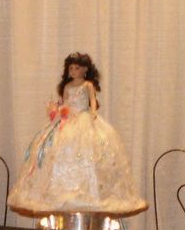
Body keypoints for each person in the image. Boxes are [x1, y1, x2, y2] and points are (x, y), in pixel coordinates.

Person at [8, 52, 146, 214]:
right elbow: (65, 102)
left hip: (85, 118)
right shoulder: (67, 87)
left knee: (89, 150)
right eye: (71, 68)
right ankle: (61, 190)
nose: (73, 71)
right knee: (59, 149)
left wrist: (93, 112)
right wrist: (59, 112)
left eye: (77, 68)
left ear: (85, 69)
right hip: (68, 119)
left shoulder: (87, 85)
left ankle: (89, 191)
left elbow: (92, 101)